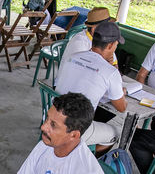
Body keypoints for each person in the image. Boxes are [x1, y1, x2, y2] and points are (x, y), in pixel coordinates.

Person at [54, 22, 127, 154]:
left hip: (54, 117)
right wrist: (122, 93)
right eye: (116, 44)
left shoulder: (72, 58)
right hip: (74, 128)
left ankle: (77, 152)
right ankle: (82, 158)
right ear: (111, 45)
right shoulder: (110, 72)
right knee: (117, 133)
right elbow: (121, 108)